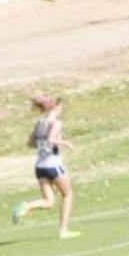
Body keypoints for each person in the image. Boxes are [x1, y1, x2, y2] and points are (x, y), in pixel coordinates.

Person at [11, 93, 79, 239]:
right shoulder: (55, 123)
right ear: (55, 107)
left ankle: (26, 206)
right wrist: (66, 143)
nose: (61, 111)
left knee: (49, 202)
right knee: (67, 194)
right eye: (61, 108)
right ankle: (63, 230)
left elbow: (30, 143)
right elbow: (51, 139)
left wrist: (43, 146)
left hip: (40, 166)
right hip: (53, 164)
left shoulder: (40, 123)